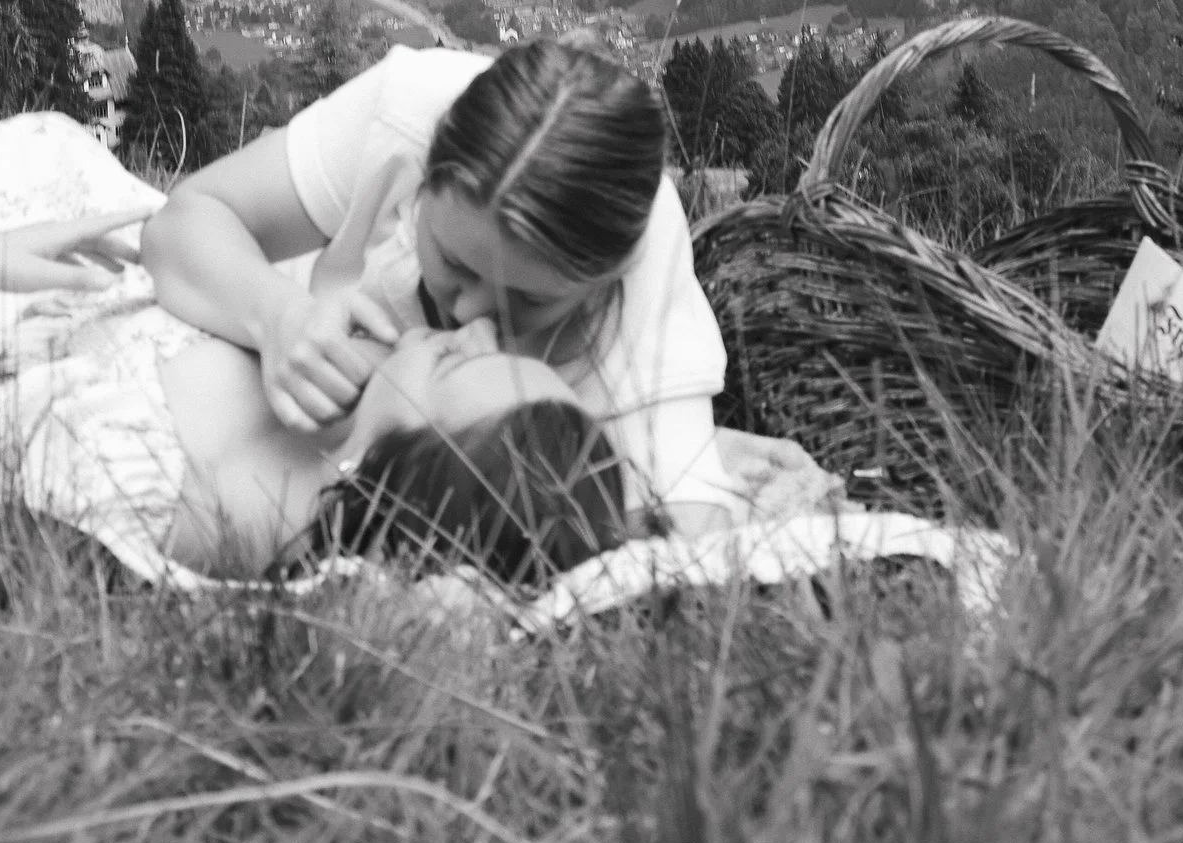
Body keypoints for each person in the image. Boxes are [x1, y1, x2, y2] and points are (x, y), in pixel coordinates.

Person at [0, 113, 628, 587]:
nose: (472, 326)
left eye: (457, 360)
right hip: (112, 258)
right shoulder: (355, 403)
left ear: (387, 466)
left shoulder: (162, 491)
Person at [141, 39, 743, 537]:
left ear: (605, 280)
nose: (473, 317)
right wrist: (275, 315)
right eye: (454, 262)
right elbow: (182, 224)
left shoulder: (644, 253)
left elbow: (690, 522)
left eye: (529, 299)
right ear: (422, 178)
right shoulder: (407, 108)